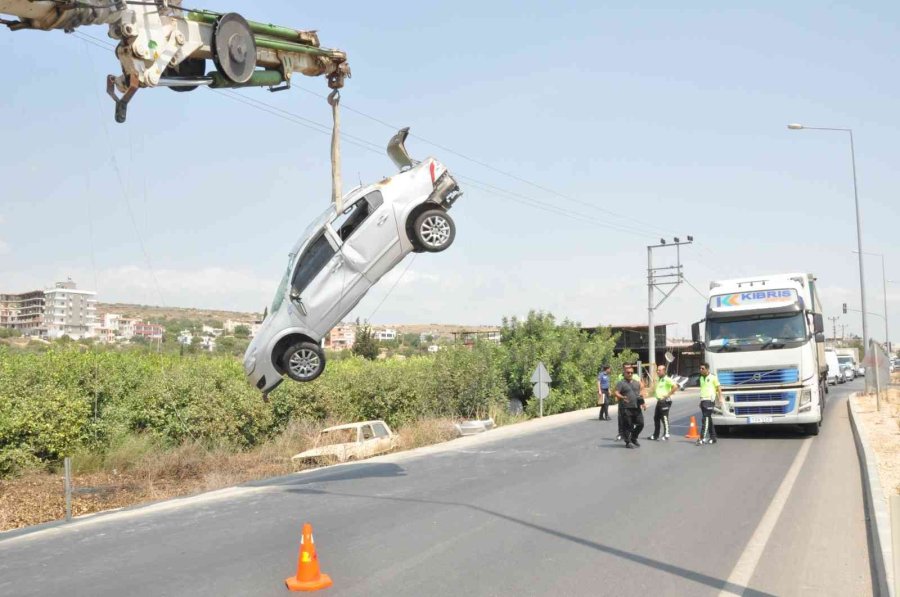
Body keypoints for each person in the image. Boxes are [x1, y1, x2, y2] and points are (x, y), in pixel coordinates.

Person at [614, 367, 646, 448]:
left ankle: (634, 437)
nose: (630, 374)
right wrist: (622, 397)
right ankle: (628, 442)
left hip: (636, 407)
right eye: (628, 372)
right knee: (628, 425)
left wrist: (643, 403)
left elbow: (640, 394)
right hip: (626, 408)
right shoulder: (621, 383)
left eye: (631, 372)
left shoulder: (636, 383)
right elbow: (616, 393)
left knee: (641, 424)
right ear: (624, 373)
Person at [648, 364, 677, 440]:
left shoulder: (667, 379)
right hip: (659, 401)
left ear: (664, 371)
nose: (658, 371)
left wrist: (668, 395)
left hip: (664, 401)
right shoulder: (660, 379)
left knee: (664, 417)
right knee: (656, 418)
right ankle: (655, 435)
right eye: (657, 370)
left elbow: (675, 386)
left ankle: (667, 434)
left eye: (659, 370)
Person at [697, 362, 722, 446]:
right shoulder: (701, 378)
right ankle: (713, 437)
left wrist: (720, 398)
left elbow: (718, 388)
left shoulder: (713, 377)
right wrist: (700, 401)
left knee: (705, 419)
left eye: (702, 368)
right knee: (709, 420)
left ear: (707, 369)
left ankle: (702, 438)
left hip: (710, 401)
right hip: (703, 401)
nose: (701, 370)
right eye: (700, 368)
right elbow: (703, 389)